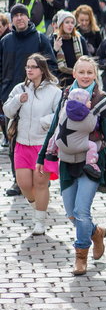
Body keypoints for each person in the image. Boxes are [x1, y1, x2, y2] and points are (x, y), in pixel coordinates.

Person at [37, 56, 106, 275]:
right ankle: (96, 232)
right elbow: (55, 129)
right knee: (71, 213)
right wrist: (42, 156)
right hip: (67, 161)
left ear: (95, 75)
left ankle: (80, 257)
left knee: (81, 211)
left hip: (92, 161)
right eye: (82, 72)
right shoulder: (66, 96)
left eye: (90, 72)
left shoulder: (102, 101)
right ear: (74, 74)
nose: (86, 76)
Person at [2, 54, 62, 235]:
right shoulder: (19, 88)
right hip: (21, 143)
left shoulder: (54, 91)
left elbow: (60, 116)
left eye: (33, 67)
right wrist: (17, 100)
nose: (29, 70)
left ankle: (39, 221)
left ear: (42, 69)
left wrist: (45, 121)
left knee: (40, 183)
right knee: (24, 184)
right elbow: (7, 111)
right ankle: (38, 207)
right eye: (27, 66)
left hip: (42, 145)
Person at [51, 10, 88, 88]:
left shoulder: (79, 39)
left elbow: (87, 58)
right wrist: (55, 49)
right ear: (61, 24)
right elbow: (48, 62)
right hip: (60, 81)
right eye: (67, 22)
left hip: (78, 80)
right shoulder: (53, 39)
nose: (70, 25)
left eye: (72, 23)